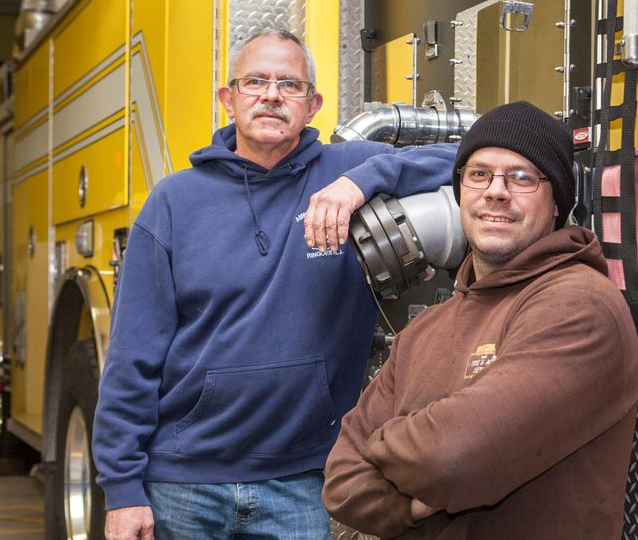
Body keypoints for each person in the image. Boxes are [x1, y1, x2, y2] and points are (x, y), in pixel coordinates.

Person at [92, 29, 456, 540]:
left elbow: (472, 160)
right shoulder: (174, 202)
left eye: (289, 84)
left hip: (301, 482)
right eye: (255, 82)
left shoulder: (346, 170)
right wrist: (123, 490)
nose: (271, 95)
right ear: (228, 98)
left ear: (312, 105)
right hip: (183, 481)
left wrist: (365, 179)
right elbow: (133, 354)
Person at [322, 101, 638, 540]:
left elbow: (452, 456)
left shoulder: (579, 306)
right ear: (459, 193)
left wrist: (380, 451)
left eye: (522, 177)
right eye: (478, 174)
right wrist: (413, 501)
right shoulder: (426, 329)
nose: (496, 192)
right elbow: (341, 479)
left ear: (556, 203)